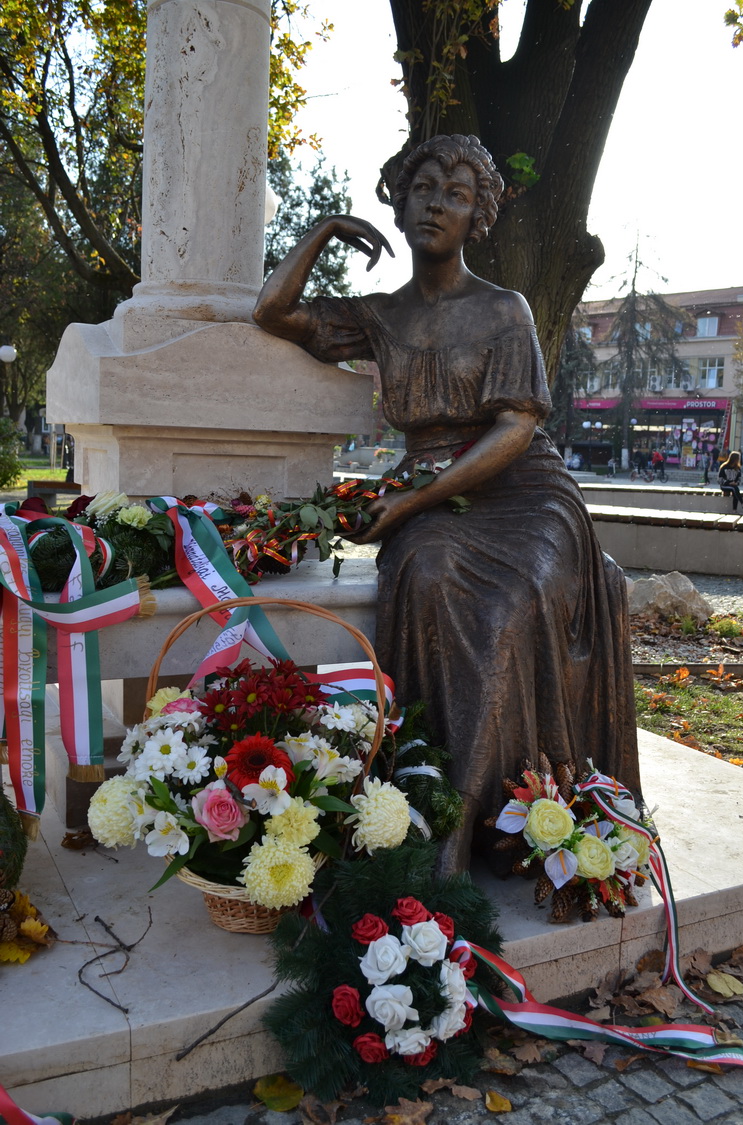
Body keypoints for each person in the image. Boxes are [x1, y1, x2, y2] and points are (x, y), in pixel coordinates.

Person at [253, 134, 641, 874]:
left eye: (456, 196)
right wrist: (325, 229)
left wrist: (410, 502)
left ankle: (472, 825)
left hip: (524, 491)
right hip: (431, 495)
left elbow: (517, 426)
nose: (436, 204)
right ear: (399, 205)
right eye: (424, 188)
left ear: (477, 219)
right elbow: (273, 312)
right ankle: (427, 797)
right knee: (426, 572)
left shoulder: (504, 309)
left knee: (513, 602)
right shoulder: (379, 315)